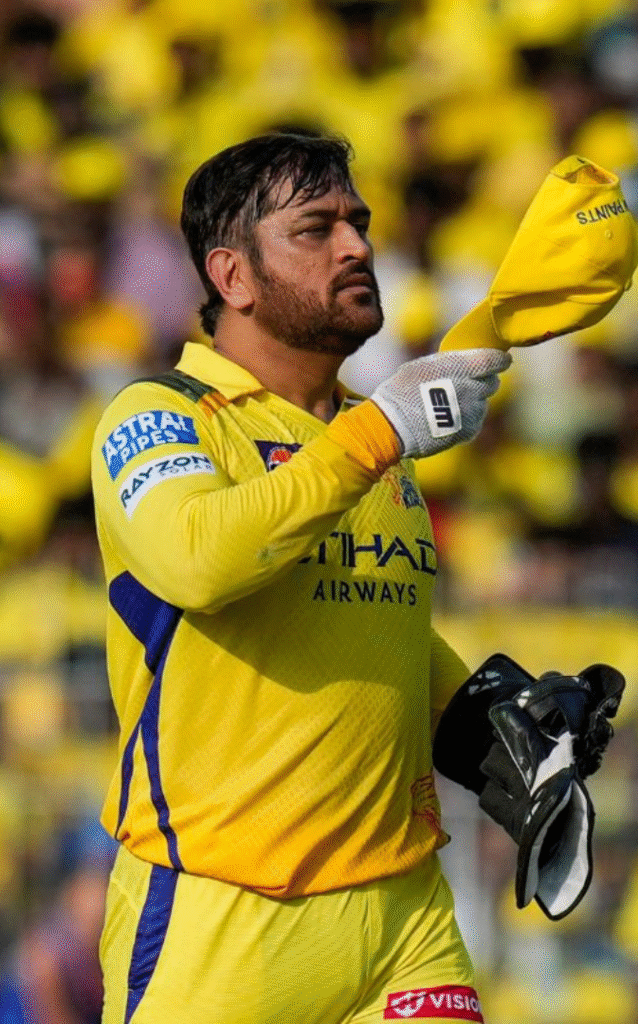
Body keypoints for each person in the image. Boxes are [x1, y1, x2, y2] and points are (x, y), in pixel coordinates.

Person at [89, 132, 524, 1024]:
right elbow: (200, 562)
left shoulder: (370, 435)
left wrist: (496, 725)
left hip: (404, 915)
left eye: (358, 222)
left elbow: (369, 619)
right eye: (315, 228)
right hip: (221, 913)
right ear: (233, 276)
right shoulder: (158, 414)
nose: (356, 245)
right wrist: (378, 435)